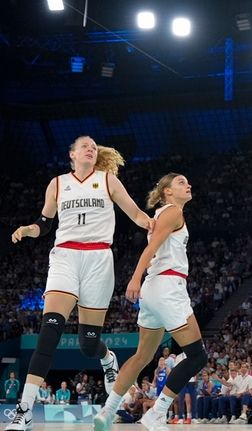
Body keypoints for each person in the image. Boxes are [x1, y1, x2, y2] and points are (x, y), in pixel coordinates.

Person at [6, 136, 152, 431]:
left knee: (88, 344)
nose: (91, 148)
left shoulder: (108, 180)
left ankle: (107, 357)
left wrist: (154, 223)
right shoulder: (57, 183)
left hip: (99, 259)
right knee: (50, 331)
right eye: (85, 145)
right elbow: (45, 223)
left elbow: (136, 214)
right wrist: (28, 229)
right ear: (72, 153)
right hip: (65, 257)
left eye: (94, 147)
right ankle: (24, 410)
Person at [93, 173, 208, 431]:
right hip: (167, 286)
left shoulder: (162, 214)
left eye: (188, 181)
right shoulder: (172, 212)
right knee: (197, 356)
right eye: (181, 182)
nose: (188, 185)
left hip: (154, 290)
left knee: (142, 355)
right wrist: (134, 277)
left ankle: (108, 411)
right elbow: (152, 247)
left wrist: (140, 282)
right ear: (167, 191)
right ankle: (156, 413)